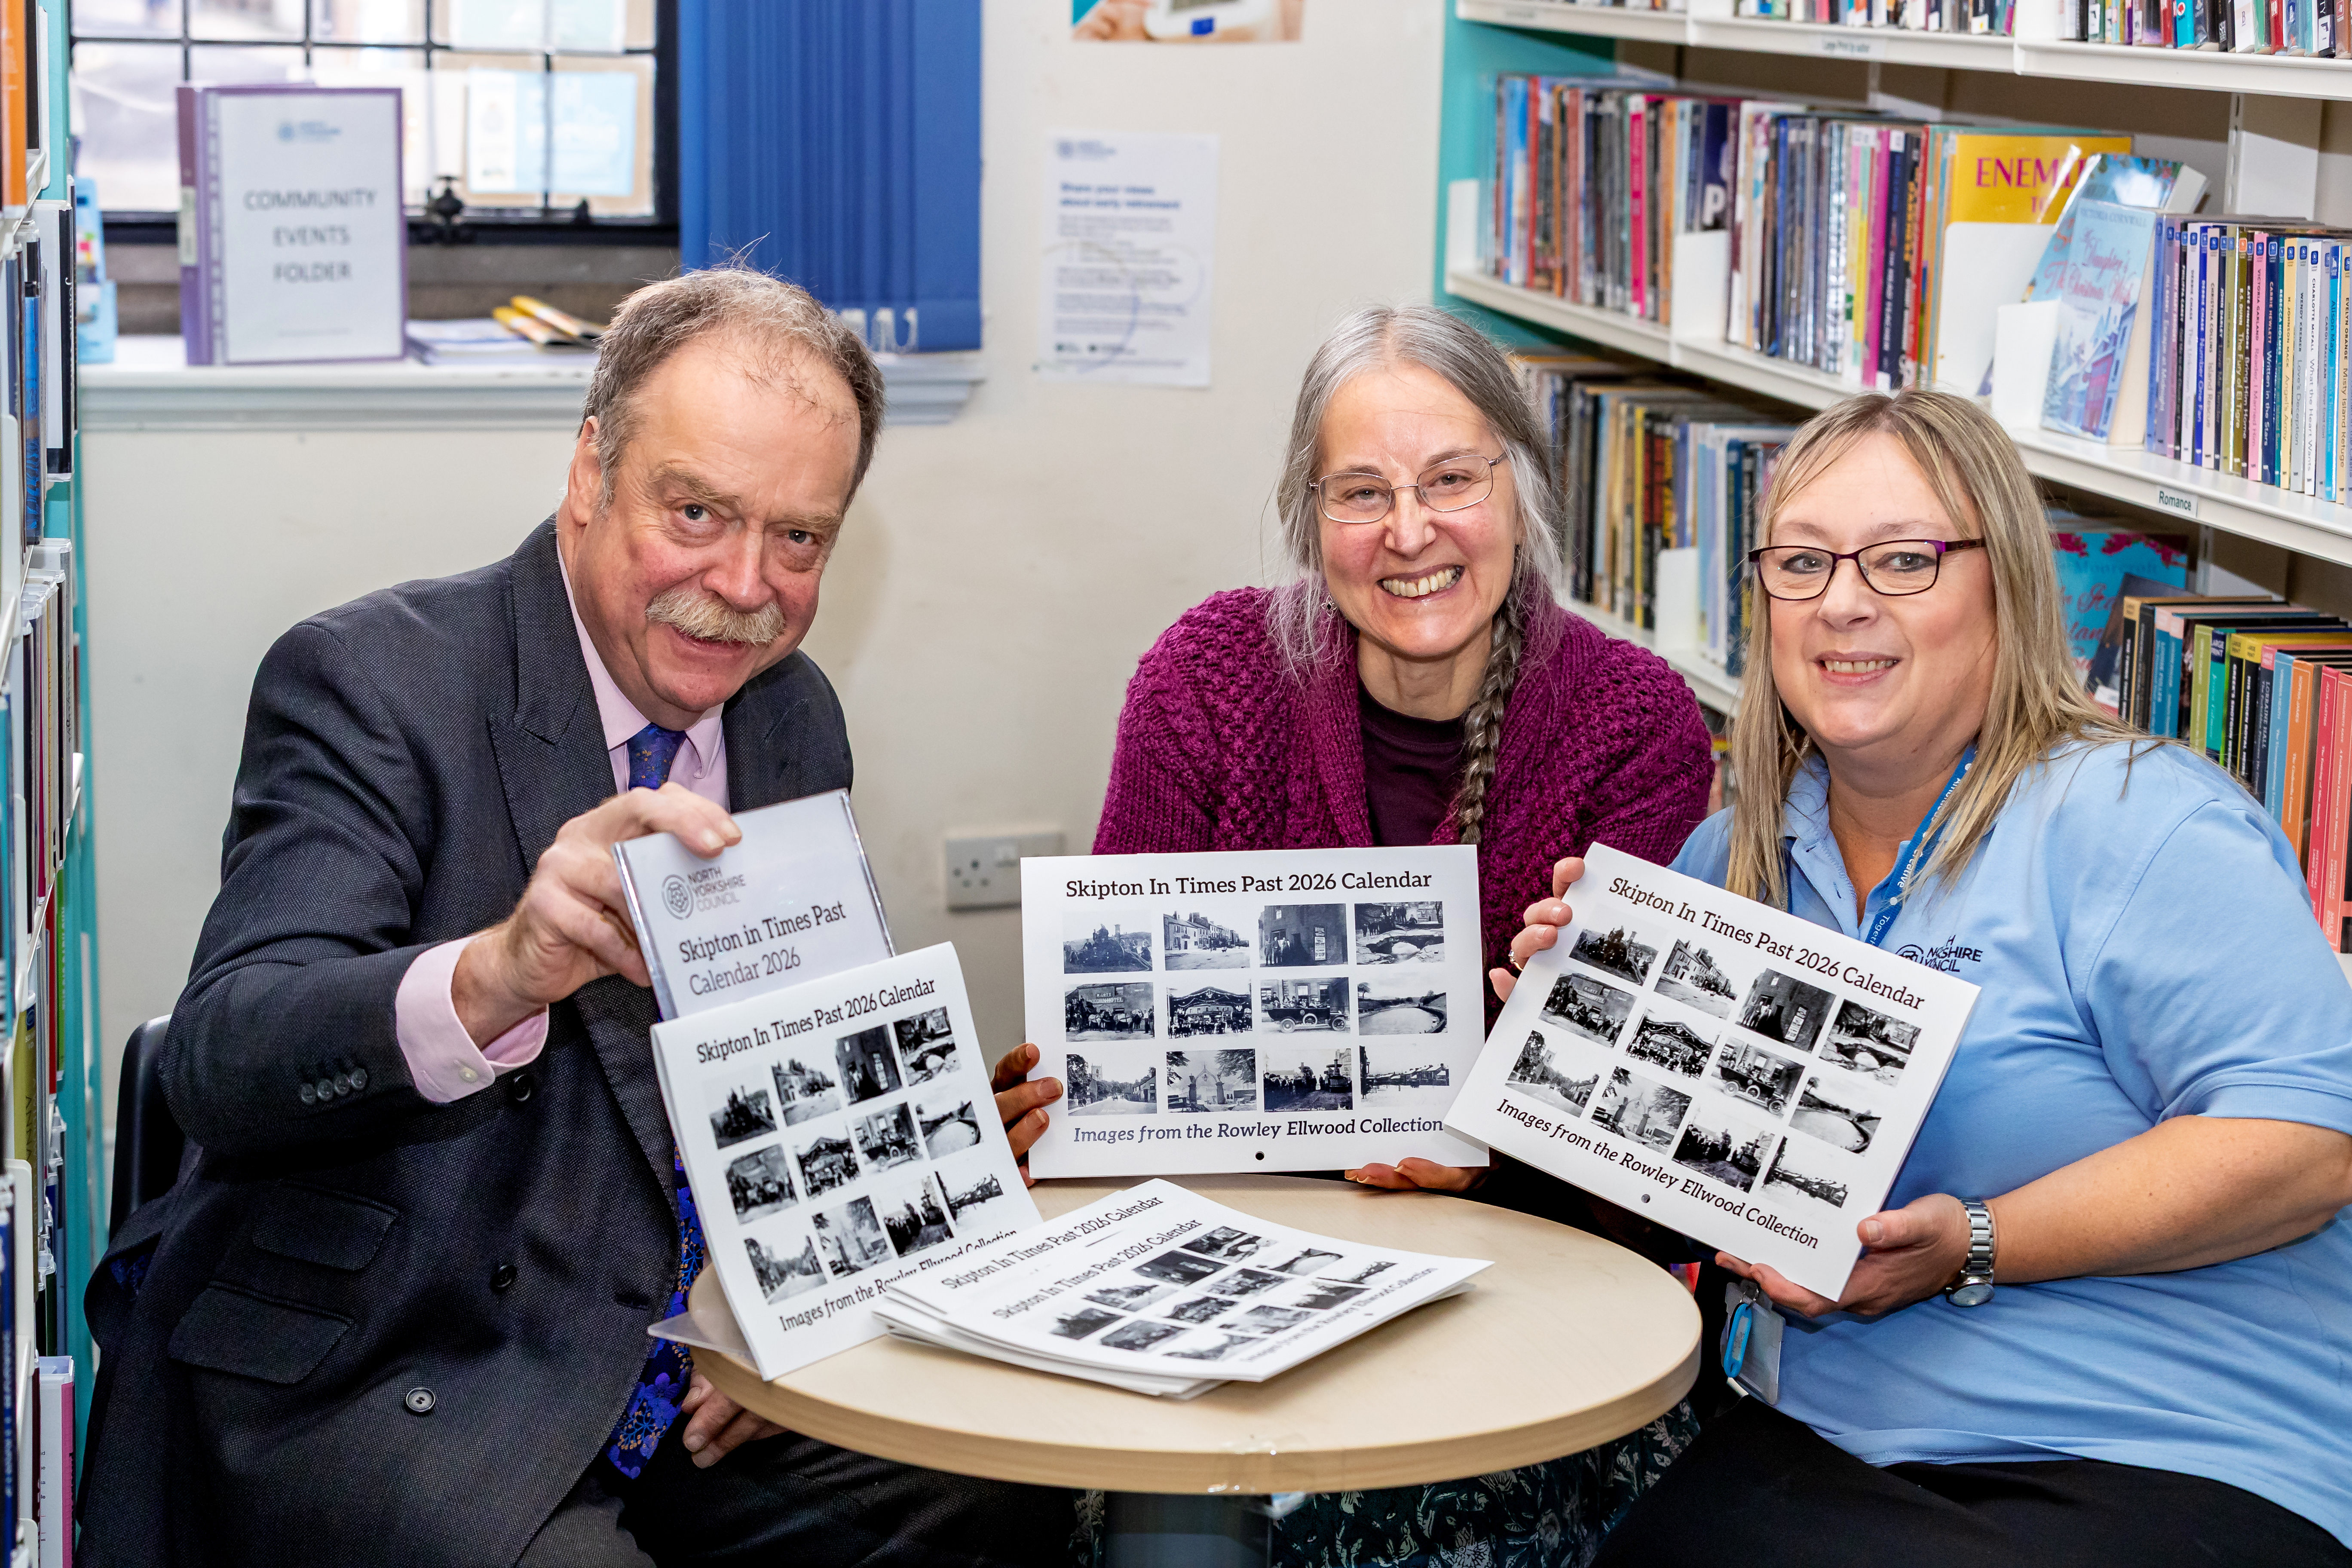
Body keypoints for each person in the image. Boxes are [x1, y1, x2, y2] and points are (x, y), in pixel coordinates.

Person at [79, 268, 1075, 1568]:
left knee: (996, 1495)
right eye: (699, 510)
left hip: (683, 1360)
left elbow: (768, 1080)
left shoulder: (790, 716)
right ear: (590, 472)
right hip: (411, 1364)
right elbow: (225, 1059)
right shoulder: (373, 682)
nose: (743, 583)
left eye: (801, 538)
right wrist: (499, 974)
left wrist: (837, 1239)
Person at [1498, 390, 2352, 1566]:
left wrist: (1975, 1241)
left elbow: (2306, 1149)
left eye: (1904, 560)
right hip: (1825, 1448)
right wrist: (1574, 1039)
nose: (1844, 602)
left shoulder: (2136, 820)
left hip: (2169, 1446)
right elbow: (1692, 1195)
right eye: (1802, 562)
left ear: (2003, 584)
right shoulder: (1729, 861)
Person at [1047, 302, 1715, 1565]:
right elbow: (1114, 1043)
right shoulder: (1206, 681)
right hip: (1227, 1267)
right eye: (1362, 493)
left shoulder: (1637, 725)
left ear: (1520, 487)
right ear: (1311, 520)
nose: (1410, 533)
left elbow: (1638, 1168)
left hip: (1517, 1290)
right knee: (1170, 1536)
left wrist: (1515, 1134)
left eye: (1452, 480)